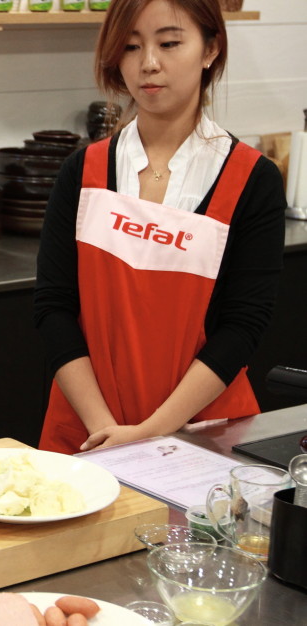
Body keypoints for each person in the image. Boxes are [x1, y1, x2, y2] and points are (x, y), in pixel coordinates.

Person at [34, 0, 286, 455]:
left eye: (169, 43)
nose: (149, 63)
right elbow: (54, 307)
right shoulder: (82, 170)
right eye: (130, 47)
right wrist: (106, 430)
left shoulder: (253, 180)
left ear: (210, 48)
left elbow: (242, 327)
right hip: (90, 431)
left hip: (200, 434)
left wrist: (151, 431)